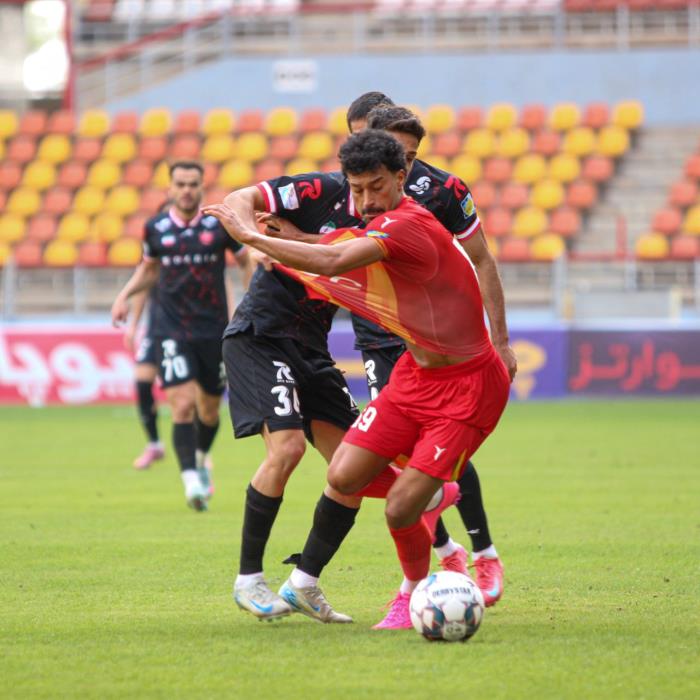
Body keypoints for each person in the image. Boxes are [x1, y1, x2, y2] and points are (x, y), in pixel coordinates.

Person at [203, 128, 511, 629]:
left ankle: (411, 593)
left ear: (402, 177)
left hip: (467, 387)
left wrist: (254, 238)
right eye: (358, 189)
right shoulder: (366, 220)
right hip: (414, 377)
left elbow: (335, 259)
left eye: (377, 186)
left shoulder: (407, 223)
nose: (366, 200)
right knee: (343, 475)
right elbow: (329, 246)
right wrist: (285, 236)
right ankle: (313, 576)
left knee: (399, 507)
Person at [111, 161, 252, 511]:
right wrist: (124, 296)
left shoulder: (218, 225)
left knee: (209, 411)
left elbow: (244, 261)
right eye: (181, 184)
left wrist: (250, 305)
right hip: (171, 329)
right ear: (170, 189)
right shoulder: (155, 228)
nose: (187, 190)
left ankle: (201, 458)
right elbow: (148, 270)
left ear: (202, 187)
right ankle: (190, 481)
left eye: (193, 184)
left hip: (213, 330)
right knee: (183, 404)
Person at [124, 287, 165, 469]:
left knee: (186, 394)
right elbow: (142, 288)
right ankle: (154, 444)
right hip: (155, 331)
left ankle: (200, 451)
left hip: (184, 330)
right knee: (142, 383)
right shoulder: (151, 268)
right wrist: (133, 325)